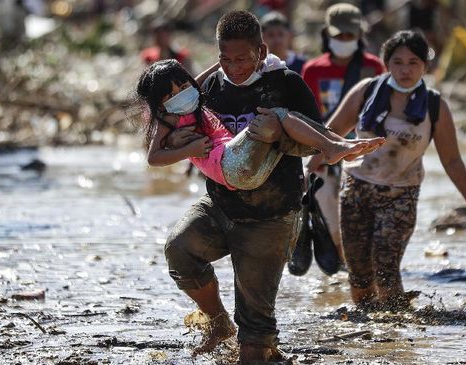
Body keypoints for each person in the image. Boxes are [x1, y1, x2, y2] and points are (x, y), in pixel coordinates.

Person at [161, 10, 350, 363]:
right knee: (180, 250)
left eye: (242, 59)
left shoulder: (286, 84)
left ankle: (261, 344)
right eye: (225, 59)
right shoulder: (210, 88)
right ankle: (218, 322)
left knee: (254, 345)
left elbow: (314, 143)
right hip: (220, 206)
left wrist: (279, 137)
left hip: (271, 215)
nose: (234, 67)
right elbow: (177, 126)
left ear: (261, 52)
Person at [307, 30, 466, 310]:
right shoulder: (366, 92)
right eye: (397, 62)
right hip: (356, 190)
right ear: (386, 64)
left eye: (413, 62)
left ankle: (396, 325)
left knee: (385, 263)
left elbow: (453, 161)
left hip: (401, 195)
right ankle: (370, 328)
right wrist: (309, 170)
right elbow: (331, 134)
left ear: (425, 66)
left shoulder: (435, 106)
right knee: (359, 273)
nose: (405, 69)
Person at [135, 59, 383, 191]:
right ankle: (332, 147)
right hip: (229, 164)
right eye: (171, 94)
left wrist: (221, 63)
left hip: (245, 173)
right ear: (159, 103)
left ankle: (336, 145)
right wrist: (188, 152)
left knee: (282, 134)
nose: (181, 94)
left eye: (183, 86)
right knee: (276, 114)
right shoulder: (168, 119)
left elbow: (197, 81)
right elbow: (153, 158)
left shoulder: (191, 99)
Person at [299, 2, 386, 266]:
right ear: (327, 34)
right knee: (327, 208)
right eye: (340, 36)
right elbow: (307, 115)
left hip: (362, 151)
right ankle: (340, 262)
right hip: (323, 150)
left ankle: (357, 264)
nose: (345, 40)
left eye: (350, 35)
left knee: (359, 214)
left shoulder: (374, 68)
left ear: (360, 35)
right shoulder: (313, 70)